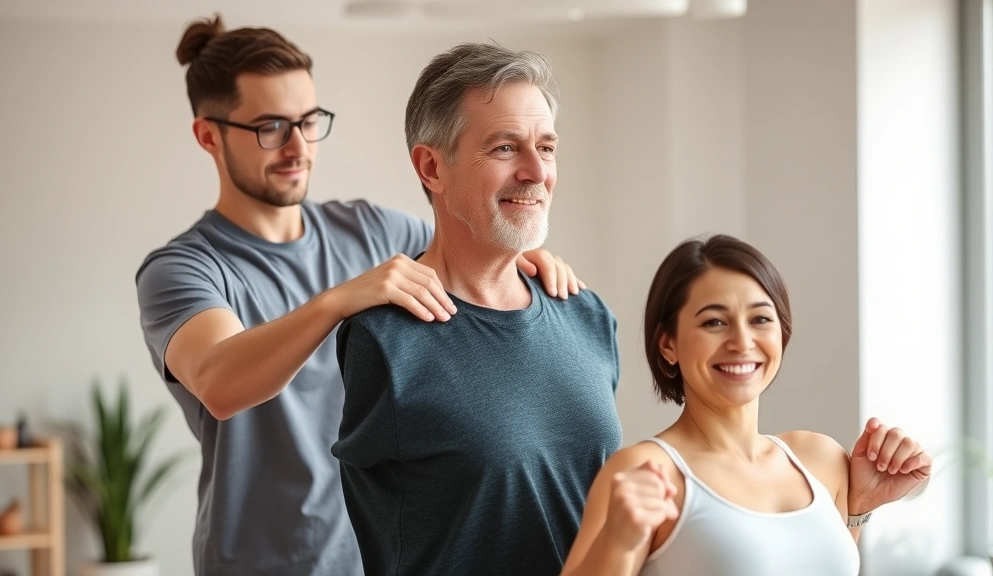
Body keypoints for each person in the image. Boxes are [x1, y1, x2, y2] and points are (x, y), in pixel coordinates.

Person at [134, 15, 582, 576]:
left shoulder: (370, 231)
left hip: (373, 559)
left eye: (308, 121)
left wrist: (524, 257)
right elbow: (221, 384)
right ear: (209, 135)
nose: (298, 146)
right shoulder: (183, 268)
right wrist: (339, 300)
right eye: (270, 126)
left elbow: (471, 244)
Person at [329, 42, 622, 576]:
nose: (537, 172)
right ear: (432, 166)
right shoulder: (384, 338)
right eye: (506, 148)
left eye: (548, 147)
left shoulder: (588, 316)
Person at [560, 234, 932, 576]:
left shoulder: (820, 459)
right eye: (715, 322)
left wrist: (861, 506)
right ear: (668, 344)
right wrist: (617, 541)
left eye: (760, 319)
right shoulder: (648, 472)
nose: (742, 341)